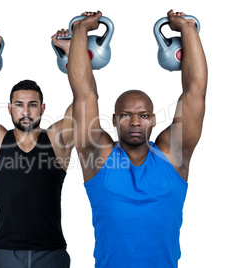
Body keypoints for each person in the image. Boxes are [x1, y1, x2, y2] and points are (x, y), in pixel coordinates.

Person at [67, 10, 207, 267]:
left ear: (153, 119)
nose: (134, 122)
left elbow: (195, 92)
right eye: (125, 115)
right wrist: (80, 31)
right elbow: (84, 94)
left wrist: (187, 28)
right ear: (114, 120)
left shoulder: (173, 155)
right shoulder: (98, 157)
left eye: (143, 115)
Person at [0, 29, 74, 268]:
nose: (26, 111)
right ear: (10, 109)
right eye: (19, 105)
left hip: (51, 254)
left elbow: (85, 98)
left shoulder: (57, 139)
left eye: (32, 105)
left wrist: (72, 50)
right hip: (5, 254)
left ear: (42, 108)